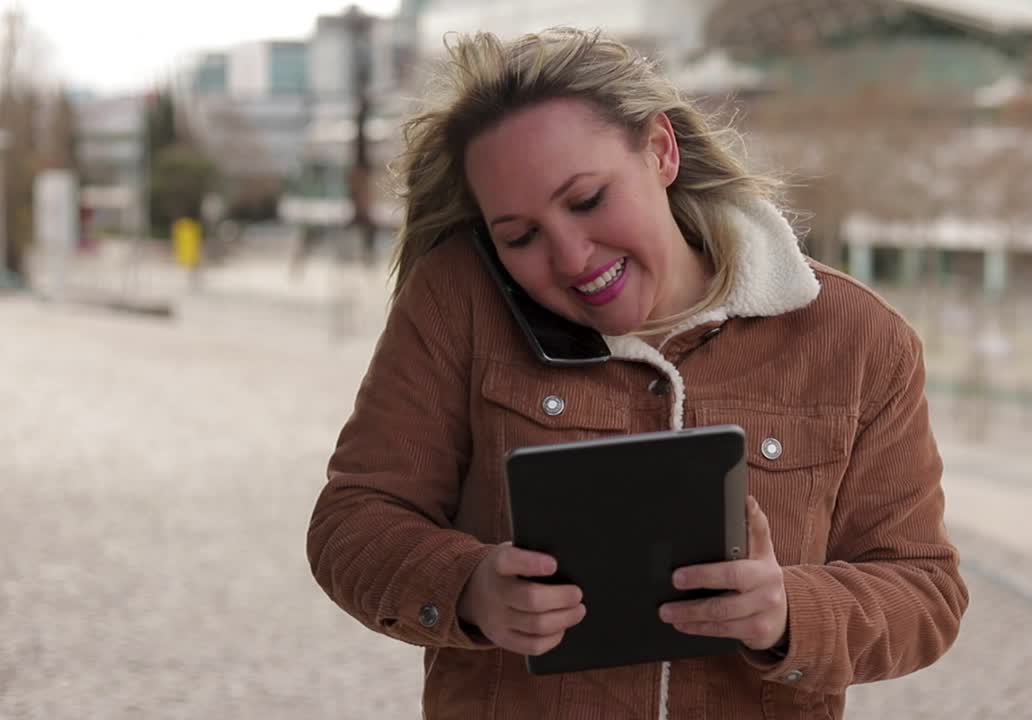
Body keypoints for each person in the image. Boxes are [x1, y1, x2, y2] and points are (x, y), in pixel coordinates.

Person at [307, 27, 967, 720]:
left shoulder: (858, 339)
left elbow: (925, 591)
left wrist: (788, 610)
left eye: (588, 200)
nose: (570, 256)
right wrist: (468, 586)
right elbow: (352, 522)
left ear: (660, 150)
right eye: (520, 236)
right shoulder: (458, 302)